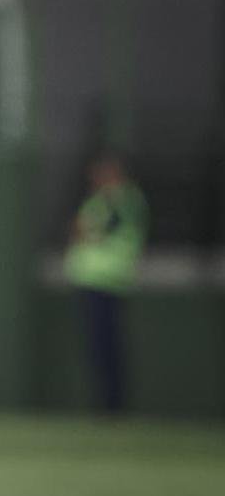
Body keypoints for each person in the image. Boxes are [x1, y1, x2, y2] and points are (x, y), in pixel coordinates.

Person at [63, 154, 147, 412]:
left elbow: (94, 229)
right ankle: (106, 406)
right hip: (89, 281)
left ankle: (114, 406)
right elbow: (78, 230)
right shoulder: (98, 200)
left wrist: (87, 231)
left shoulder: (125, 199)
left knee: (110, 347)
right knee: (98, 349)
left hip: (109, 282)